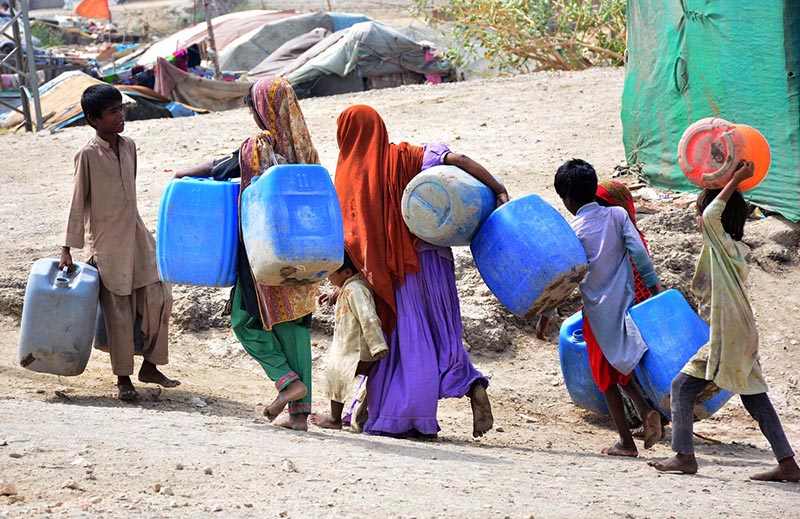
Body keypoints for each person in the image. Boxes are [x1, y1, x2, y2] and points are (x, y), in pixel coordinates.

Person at [331, 104, 508, 438]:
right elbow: (460, 161)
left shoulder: (349, 173)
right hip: (435, 259)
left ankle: (409, 417)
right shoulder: (407, 156)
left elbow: (350, 235)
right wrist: (497, 189)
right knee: (443, 334)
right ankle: (470, 385)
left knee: (410, 341)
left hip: (398, 271)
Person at [173, 77, 318, 431]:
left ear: (263, 111)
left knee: (244, 320)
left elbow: (221, 168)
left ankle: (286, 381)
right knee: (293, 324)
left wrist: (183, 173)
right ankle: (299, 414)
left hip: (264, 249)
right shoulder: (306, 151)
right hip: (305, 250)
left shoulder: (258, 145)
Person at [650, 161, 800, 482]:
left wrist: (735, 180)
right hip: (743, 330)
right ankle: (787, 462)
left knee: (681, 387)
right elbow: (711, 212)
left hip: (729, 331)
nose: (698, 217)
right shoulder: (733, 248)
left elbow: (708, 215)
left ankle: (684, 457)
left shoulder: (719, 245)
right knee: (755, 396)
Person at [60, 84, 178, 401]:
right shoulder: (86, 155)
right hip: (106, 242)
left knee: (160, 295)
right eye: (113, 112)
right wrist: (67, 248)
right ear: (94, 119)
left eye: (120, 109)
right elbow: (76, 203)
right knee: (118, 310)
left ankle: (151, 365)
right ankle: (123, 378)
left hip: (137, 234)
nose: (120, 116)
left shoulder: (130, 147)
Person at [554, 158, 663, 456]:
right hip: (627, 303)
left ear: (566, 199)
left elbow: (563, 277)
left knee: (605, 376)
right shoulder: (617, 215)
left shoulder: (571, 231)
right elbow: (638, 253)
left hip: (596, 313)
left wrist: (547, 312)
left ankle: (626, 442)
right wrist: (654, 287)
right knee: (617, 364)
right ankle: (644, 410)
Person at [311, 252, 389, 430]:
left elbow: (368, 317)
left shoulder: (357, 290)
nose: (329, 278)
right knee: (364, 385)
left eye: (332, 274)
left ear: (347, 272)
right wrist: (335, 295)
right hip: (351, 348)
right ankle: (360, 418)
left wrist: (377, 345)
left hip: (357, 351)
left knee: (337, 375)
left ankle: (334, 418)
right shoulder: (350, 287)